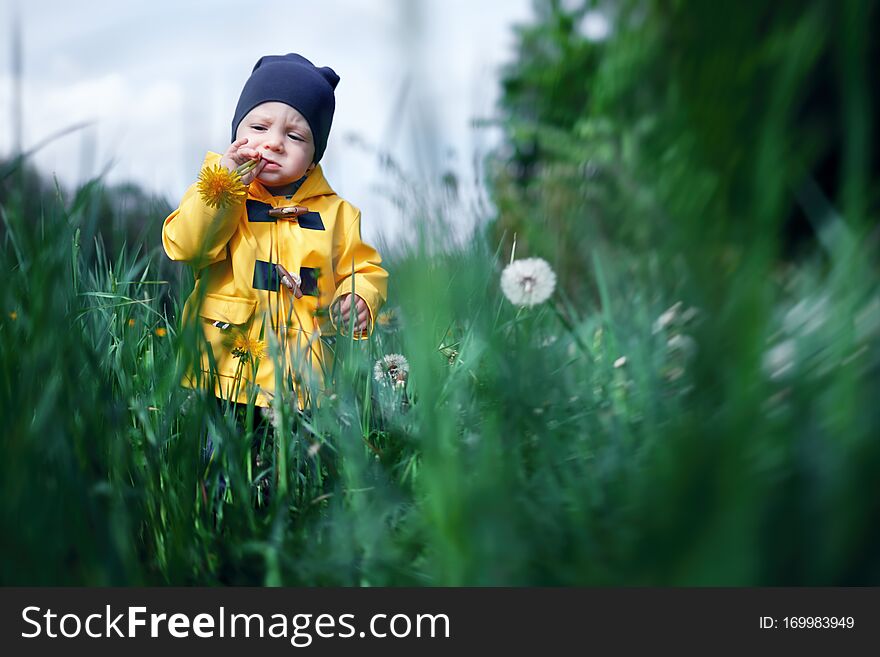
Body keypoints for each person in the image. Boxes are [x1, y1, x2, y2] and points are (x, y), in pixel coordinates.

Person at [163, 53, 388, 412]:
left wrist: (359, 297)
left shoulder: (338, 214)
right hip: (223, 370)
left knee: (294, 466)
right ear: (236, 132)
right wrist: (224, 185)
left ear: (314, 158)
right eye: (258, 128)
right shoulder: (214, 189)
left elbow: (365, 270)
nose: (273, 143)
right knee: (221, 464)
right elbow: (189, 246)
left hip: (303, 380)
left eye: (295, 135)